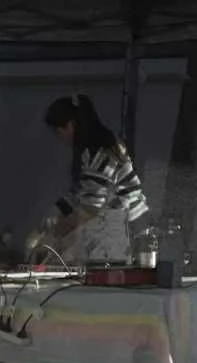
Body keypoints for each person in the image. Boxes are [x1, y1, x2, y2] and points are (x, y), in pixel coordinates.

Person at [43, 94, 151, 267]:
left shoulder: (101, 156)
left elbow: (90, 208)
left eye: (59, 131)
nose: (60, 137)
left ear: (71, 125)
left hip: (128, 234)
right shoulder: (92, 152)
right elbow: (82, 191)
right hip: (116, 231)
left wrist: (56, 235)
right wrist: (57, 210)